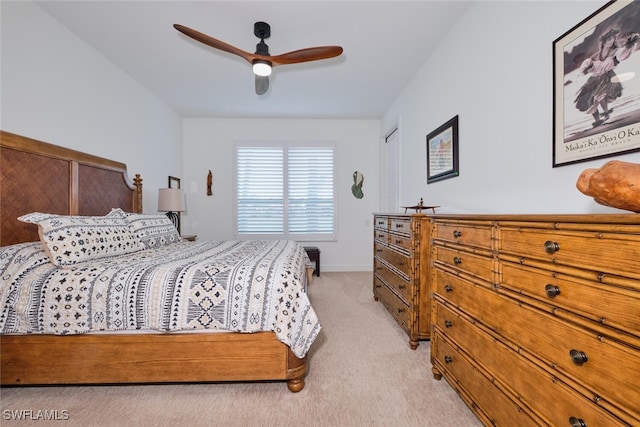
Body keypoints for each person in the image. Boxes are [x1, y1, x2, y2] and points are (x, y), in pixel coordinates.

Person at [574, 28, 640, 127]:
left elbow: (624, 54)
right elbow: (585, 69)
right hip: (594, 79)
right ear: (604, 41)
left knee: (599, 93)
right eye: (609, 39)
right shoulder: (594, 56)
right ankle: (597, 120)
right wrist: (588, 70)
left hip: (607, 77)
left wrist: (632, 42)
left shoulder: (616, 52)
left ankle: (606, 113)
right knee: (590, 98)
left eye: (613, 39)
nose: (611, 41)